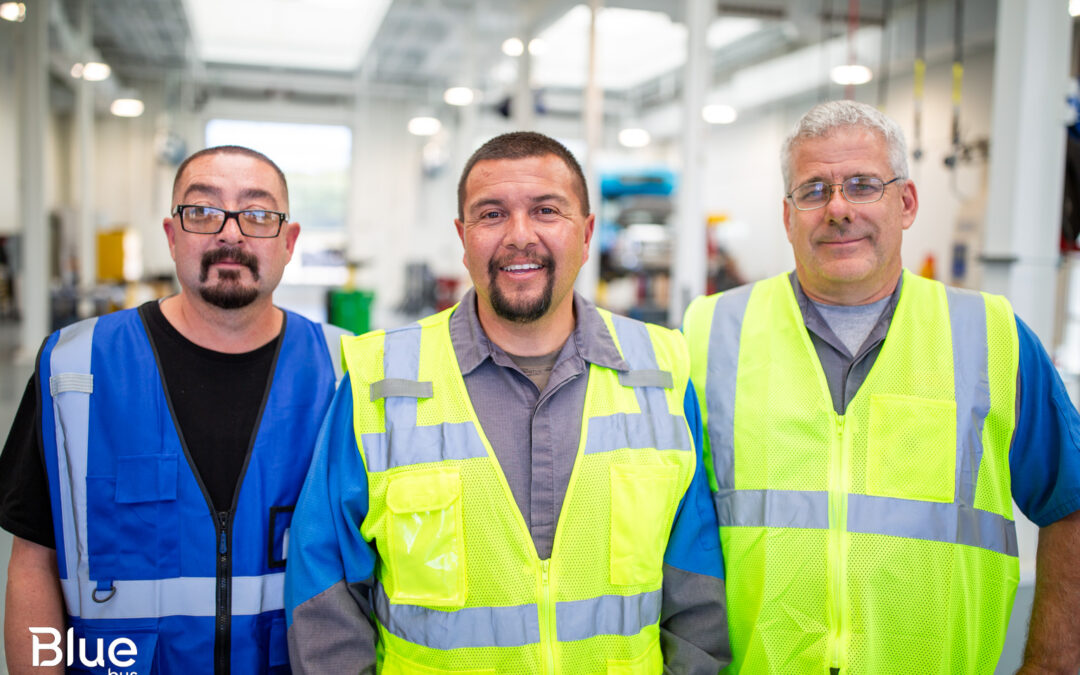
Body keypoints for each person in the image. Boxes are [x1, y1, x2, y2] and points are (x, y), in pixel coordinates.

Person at [285, 131, 730, 674]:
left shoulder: (661, 374)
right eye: (492, 214)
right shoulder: (379, 382)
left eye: (546, 210)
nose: (520, 236)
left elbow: (697, 594)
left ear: (587, 234)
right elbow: (324, 593)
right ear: (463, 237)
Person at [682, 100, 1080, 674]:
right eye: (814, 191)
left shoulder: (992, 338)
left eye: (863, 185)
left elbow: (1072, 503)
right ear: (788, 216)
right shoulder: (708, 334)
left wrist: (1050, 667)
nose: (837, 209)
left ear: (907, 202)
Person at [0, 145, 348, 674]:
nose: (230, 233)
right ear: (171, 235)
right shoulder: (74, 371)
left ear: (288, 241)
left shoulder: (345, 372)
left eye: (257, 215)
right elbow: (34, 563)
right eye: (203, 211)